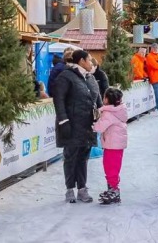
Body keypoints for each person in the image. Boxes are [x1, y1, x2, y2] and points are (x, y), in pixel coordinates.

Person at [53, 49, 99, 204]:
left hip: (87, 125)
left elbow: (97, 99)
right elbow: (58, 99)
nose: (92, 63)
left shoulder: (90, 78)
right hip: (72, 124)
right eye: (90, 60)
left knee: (83, 157)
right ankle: (69, 189)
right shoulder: (66, 77)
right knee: (71, 156)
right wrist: (63, 121)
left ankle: (82, 188)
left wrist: (100, 116)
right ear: (81, 61)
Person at [93, 88, 128, 205]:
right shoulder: (120, 110)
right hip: (117, 144)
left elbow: (99, 127)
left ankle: (114, 189)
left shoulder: (108, 113)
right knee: (114, 166)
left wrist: (93, 123)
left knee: (110, 167)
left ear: (107, 99)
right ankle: (112, 188)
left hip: (112, 144)